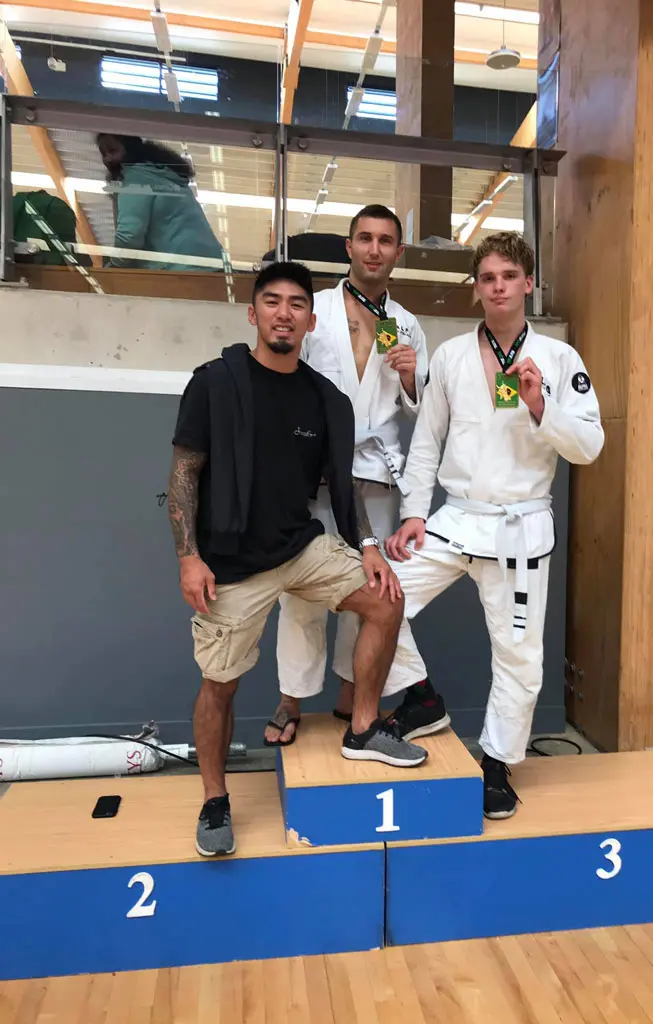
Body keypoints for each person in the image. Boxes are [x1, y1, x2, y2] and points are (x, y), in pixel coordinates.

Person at [168, 261, 429, 858]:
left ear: (312, 321)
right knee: (220, 686)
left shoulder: (326, 400)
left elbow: (343, 489)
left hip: (301, 547)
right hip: (232, 562)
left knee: (386, 600)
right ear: (253, 312)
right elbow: (184, 474)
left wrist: (367, 549)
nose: (284, 313)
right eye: (272, 302)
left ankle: (363, 727)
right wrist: (189, 557)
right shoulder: (214, 382)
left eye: (295, 305)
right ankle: (214, 799)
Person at [386, 232, 605, 820]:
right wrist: (413, 513)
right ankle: (422, 696)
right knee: (375, 601)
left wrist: (541, 406)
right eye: (487, 278)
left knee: (518, 658)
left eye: (509, 275)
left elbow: (589, 446)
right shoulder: (452, 356)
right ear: (477, 288)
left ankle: (497, 763)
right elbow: (427, 442)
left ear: (528, 283)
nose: (499, 286)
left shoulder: (560, 360)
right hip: (457, 518)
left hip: (520, 526)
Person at [267, 205, 450, 746]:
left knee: (370, 592)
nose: (374, 249)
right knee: (299, 591)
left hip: (377, 473)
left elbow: (423, 410)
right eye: (365, 239)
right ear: (348, 247)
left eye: (385, 241)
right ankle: (290, 699)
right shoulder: (316, 308)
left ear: (398, 253)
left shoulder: (408, 323)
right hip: (313, 473)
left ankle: (352, 696)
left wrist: (415, 378)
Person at [97, 134, 222, 272]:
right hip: (214, 266)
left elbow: (129, 235)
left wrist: (113, 267)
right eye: (103, 153)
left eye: (113, 150)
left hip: (183, 269)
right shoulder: (165, 175)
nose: (107, 159)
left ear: (130, 149)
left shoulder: (136, 178)